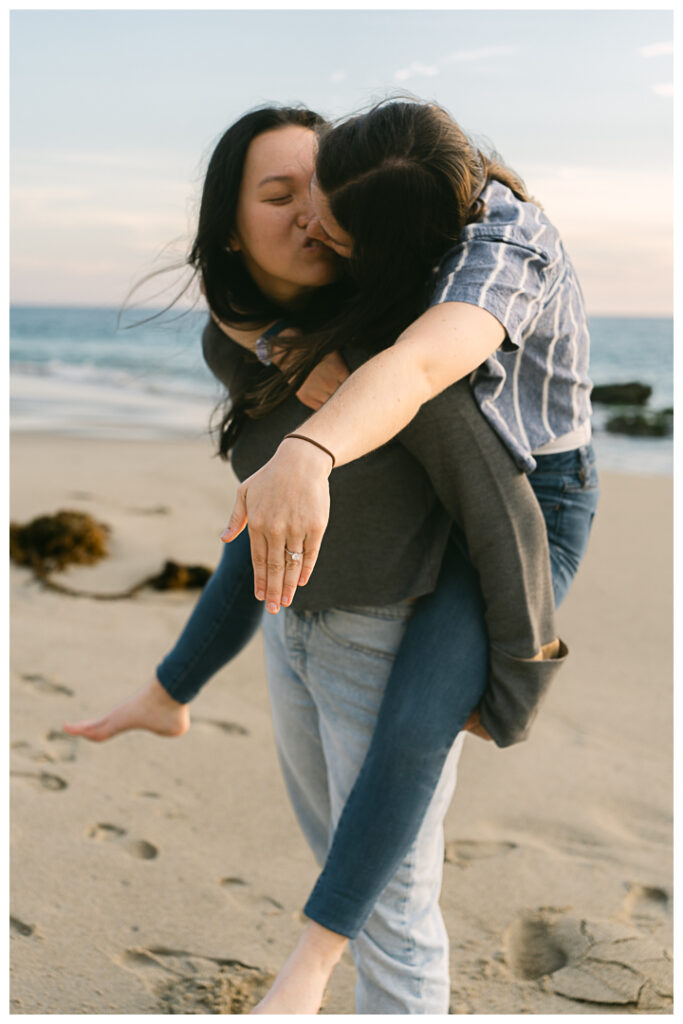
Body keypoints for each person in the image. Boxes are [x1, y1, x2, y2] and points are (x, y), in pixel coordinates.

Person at [64, 104, 567, 1015]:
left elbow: (504, 509)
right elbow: (252, 512)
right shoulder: (249, 335)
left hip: (382, 634)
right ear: (228, 226)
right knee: (338, 855)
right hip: (295, 627)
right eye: (282, 192)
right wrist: (178, 681)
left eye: (324, 192)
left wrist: (517, 677)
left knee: (391, 911)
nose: (311, 213)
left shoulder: (389, 341)